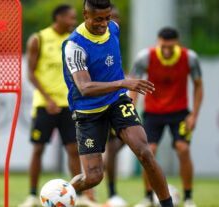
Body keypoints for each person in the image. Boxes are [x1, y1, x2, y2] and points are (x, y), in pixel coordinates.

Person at [62, 0, 174, 207]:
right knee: (93, 177)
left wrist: (121, 87)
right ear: (85, 14)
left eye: (107, 18)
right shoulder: (74, 46)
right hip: (88, 110)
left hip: (116, 101)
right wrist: (123, 82)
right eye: (98, 19)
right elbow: (84, 87)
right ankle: (60, 194)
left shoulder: (113, 28)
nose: (104, 24)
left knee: (145, 152)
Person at [20, 4, 98, 207]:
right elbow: (30, 73)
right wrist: (48, 98)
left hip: (69, 105)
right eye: (71, 18)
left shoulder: (75, 40)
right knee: (38, 149)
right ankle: (31, 195)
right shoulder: (39, 39)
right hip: (45, 105)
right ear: (59, 17)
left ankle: (78, 195)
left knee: (73, 150)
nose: (74, 22)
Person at [131, 27, 203, 207]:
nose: (167, 50)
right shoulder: (145, 57)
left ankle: (188, 198)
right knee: (148, 152)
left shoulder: (190, 58)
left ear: (177, 43)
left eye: (171, 46)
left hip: (179, 113)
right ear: (158, 42)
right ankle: (148, 198)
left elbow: (198, 86)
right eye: (164, 46)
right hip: (153, 113)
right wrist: (131, 109)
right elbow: (133, 85)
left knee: (183, 149)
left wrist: (194, 114)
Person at [103, 4, 128, 207]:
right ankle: (109, 192)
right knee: (108, 148)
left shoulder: (115, 37)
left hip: (115, 99)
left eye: (117, 17)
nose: (115, 20)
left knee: (133, 139)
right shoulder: (90, 38)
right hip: (96, 101)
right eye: (112, 17)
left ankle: (112, 193)